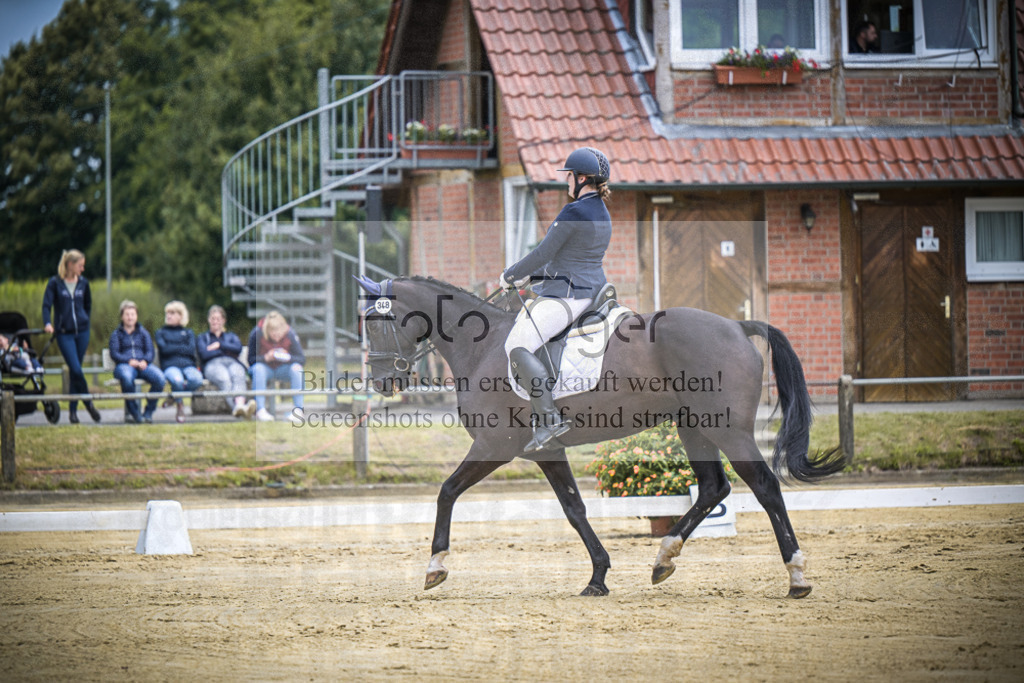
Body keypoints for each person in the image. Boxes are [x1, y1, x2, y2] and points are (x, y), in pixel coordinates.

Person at [499, 147, 612, 453]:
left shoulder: (574, 212)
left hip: (570, 294)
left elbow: (543, 253)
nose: (566, 181)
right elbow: (570, 257)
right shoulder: (601, 210)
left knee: (516, 345)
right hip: (591, 288)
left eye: (569, 176)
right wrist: (533, 278)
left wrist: (511, 274)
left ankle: (549, 420)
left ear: (581, 178)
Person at [42, 249, 101, 424]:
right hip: (64, 333)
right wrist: (48, 323)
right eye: (80, 265)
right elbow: (46, 305)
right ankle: (89, 403)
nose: (83, 269)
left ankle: (73, 413)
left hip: (82, 332)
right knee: (75, 369)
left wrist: (85, 320)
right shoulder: (55, 283)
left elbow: (88, 305)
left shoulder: (84, 283)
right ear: (70, 264)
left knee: (77, 372)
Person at [109, 300, 165, 424]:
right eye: (127, 314)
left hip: (143, 366)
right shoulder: (116, 334)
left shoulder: (144, 333)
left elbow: (150, 351)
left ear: (136, 316)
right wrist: (128, 361)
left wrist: (145, 361)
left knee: (160, 378)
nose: (130, 317)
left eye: (132, 314)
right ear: (122, 316)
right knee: (127, 378)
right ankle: (135, 413)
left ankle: (148, 412)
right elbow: (115, 353)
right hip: (124, 366)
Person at [246, 311, 306, 424]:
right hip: (265, 368)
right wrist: (266, 358)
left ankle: (298, 410)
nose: (276, 335)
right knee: (258, 369)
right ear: (267, 330)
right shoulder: (257, 334)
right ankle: (260, 410)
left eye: (279, 332)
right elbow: (251, 360)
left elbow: (301, 359)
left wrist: (287, 357)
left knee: (297, 368)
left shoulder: (290, 334)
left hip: (283, 368)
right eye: (273, 332)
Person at [197, 305, 255, 419]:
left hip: (232, 363)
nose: (215, 321)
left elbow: (237, 348)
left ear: (223, 320)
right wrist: (226, 351)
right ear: (209, 320)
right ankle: (239, 408)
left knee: (238, 375)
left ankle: (239, 406)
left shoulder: (231, 336)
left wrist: (219, 345)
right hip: (213, 364)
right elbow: (204, 354)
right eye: (213, 318)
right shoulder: (203, 337)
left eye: (218, 319)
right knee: (224, 378)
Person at [155, 301, 204, 424]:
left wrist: (172, 346)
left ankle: (173, 396)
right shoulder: (160, 332)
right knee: (177, 381)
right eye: (167, 313)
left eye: (172, 313)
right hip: (170, 366)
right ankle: (180, 407)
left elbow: (190, 349)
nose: (168, 316)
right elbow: (164, 350)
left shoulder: (189, 332)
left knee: (197, 380)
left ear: (181, 316)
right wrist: (181, 346)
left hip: (188, 366)